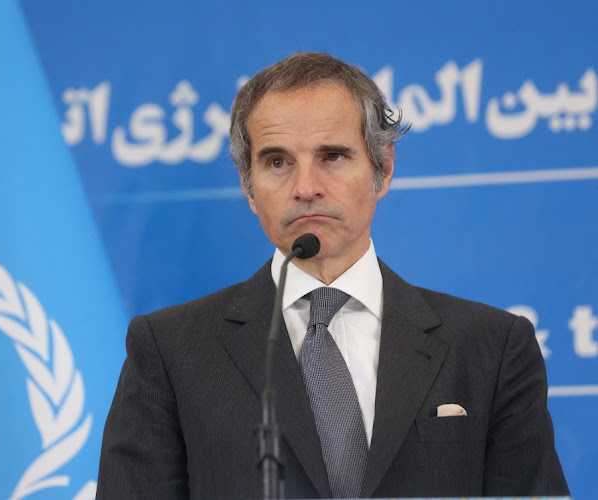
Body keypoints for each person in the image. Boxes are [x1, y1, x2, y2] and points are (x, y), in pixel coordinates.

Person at [96, 52, 569, 499]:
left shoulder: (491, 347)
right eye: (278, 162)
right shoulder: (169, 349)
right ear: (248, 186)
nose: (305, 188)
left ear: (382, 169)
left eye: (332, 157)